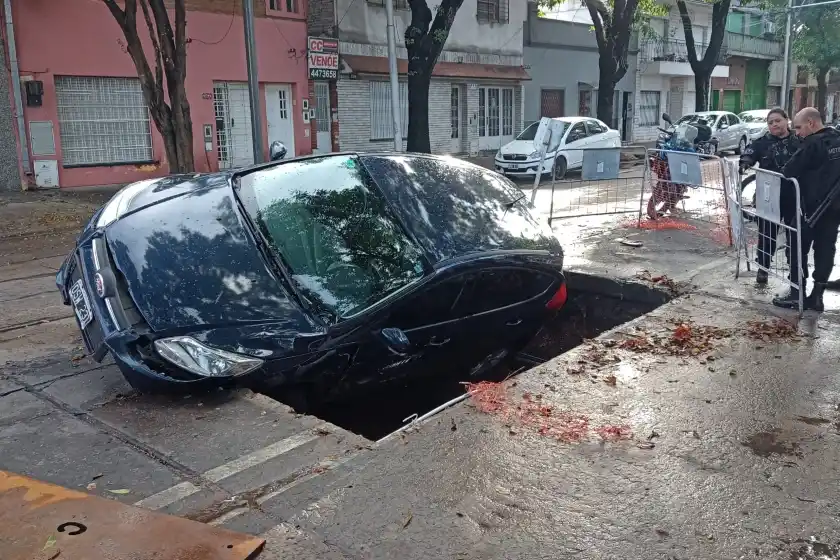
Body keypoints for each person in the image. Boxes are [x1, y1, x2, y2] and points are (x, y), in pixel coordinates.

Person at [774, 107, 840, 311]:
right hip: (834, 208)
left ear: (811, 123)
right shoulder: (837, 138)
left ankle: (796, 293)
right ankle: (817, 296)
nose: (798, 133)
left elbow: (789, 170)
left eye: (799, 128)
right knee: (825, 249)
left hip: (810, 209)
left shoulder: (813, 144)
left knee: (796, 247)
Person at [739, 107, 801, 285]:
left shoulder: (798, 141)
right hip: (769, 196)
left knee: (794, 234)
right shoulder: (762, 142)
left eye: (778, 121)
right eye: (770, 122)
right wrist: (745, 164)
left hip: (793, 195)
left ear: (786, 120)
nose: (774, 125)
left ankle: (795, 272)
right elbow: (749, 154)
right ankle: (763, 269)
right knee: (767, 234)